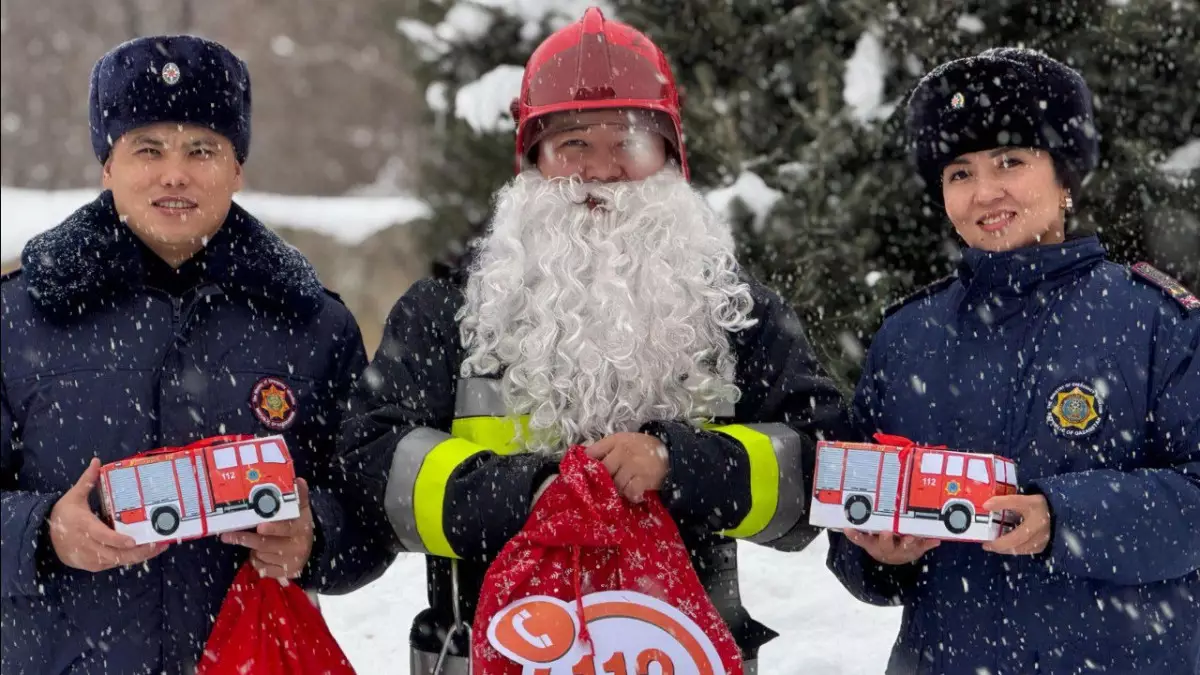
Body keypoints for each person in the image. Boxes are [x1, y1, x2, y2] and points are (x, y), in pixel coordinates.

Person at [341, 7, 851, 674]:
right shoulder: (448, 307)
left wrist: (679, 465)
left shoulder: (733, 309)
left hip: (681, 657)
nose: (601, 171)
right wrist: (528, 493)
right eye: (574, 144)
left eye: (631, 142)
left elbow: (821, 465)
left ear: (671, 157)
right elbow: (374, 469)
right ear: (532, 163)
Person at [0, 35, 390, 673]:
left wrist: (316, 535)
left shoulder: (314, 327)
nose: (174, 173)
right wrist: (42, 531)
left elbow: (371, 512)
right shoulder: (18, 318)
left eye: (202, 149)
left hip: (251, 655)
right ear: (107, 164)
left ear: (237, 166)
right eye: (146, 149)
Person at [827, 47, 1200, 675]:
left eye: (1010, 161)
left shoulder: (1156, 321)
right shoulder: (907, 336)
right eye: (959, 173)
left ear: (1065, 179)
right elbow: (853, 514)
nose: (985, 192)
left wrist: (1062, 518)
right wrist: (876, 554)